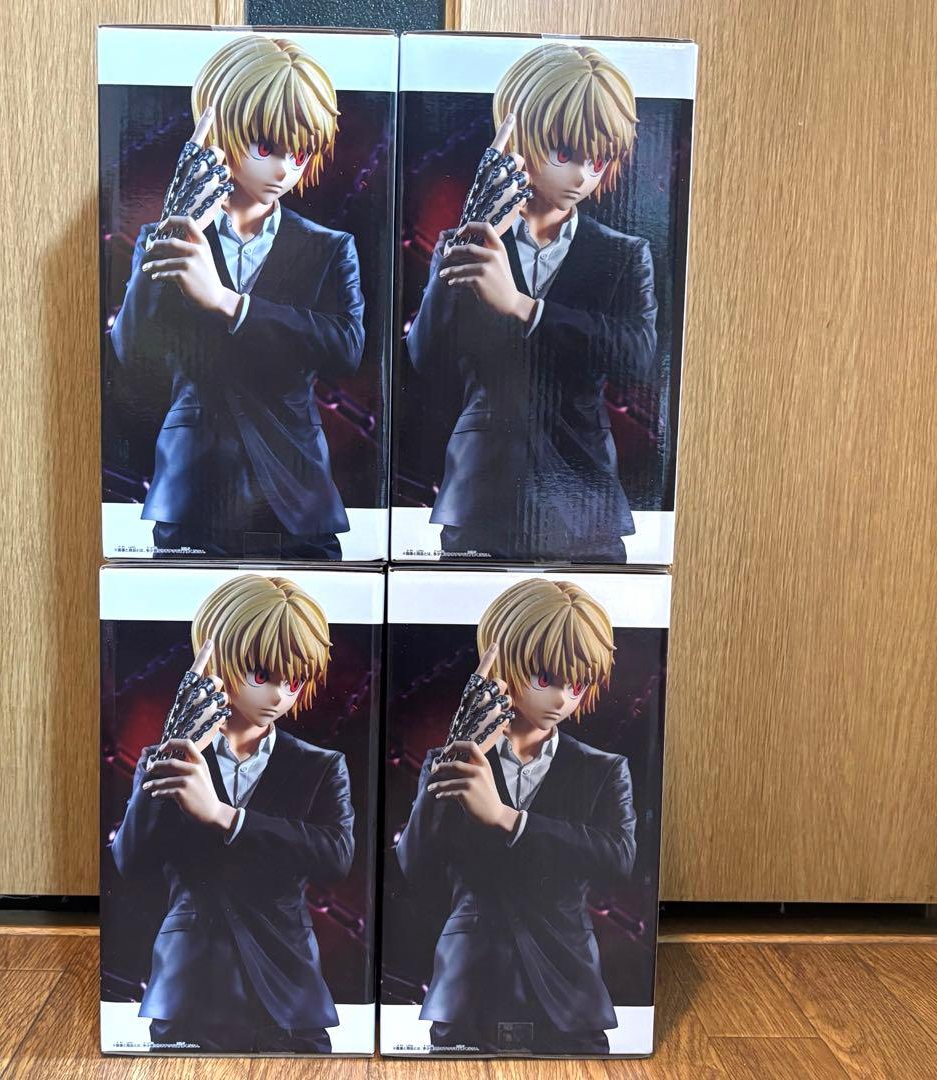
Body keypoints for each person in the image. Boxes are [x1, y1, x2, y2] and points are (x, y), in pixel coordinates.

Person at [110, 34, 365, 560]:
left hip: (297, 493)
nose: (284, 169)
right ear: (219, 132)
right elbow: (130, 354)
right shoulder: (165, 236)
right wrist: (178, 220)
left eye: (300, 153)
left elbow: (346, 348)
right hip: (192, 491)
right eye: (265, 148)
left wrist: (230, 303)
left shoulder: (329, 246)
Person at [406, 43, 658, 563]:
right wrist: (473, 230)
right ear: (520, 140)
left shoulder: (623, 253)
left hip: (584, 498)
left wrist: (525, 308)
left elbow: (638, 356)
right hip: (481, 495)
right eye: (565, 155)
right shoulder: (466, 241)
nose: (582, 176)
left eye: (598, 160)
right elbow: (423, 360)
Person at [111, 574, 354, 1053]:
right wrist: (177, 743)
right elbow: (130, 861)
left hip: (288, 987)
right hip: (189, 985)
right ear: (218, 661)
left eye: (294, 681)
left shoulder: (321, 765)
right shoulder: (166, 757)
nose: (279, 695)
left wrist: (227, 817)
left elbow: (336, 857)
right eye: (262, 676)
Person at [396, 577, 636, 1054]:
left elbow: (618, 859)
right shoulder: (451, 759)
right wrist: (462, 744)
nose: (562, 698)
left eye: (577, 684)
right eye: (545, 679)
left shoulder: (603, 769)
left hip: (569, 990)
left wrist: (509, 819)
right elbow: (413, 867)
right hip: (468, 986)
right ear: (504, 665)